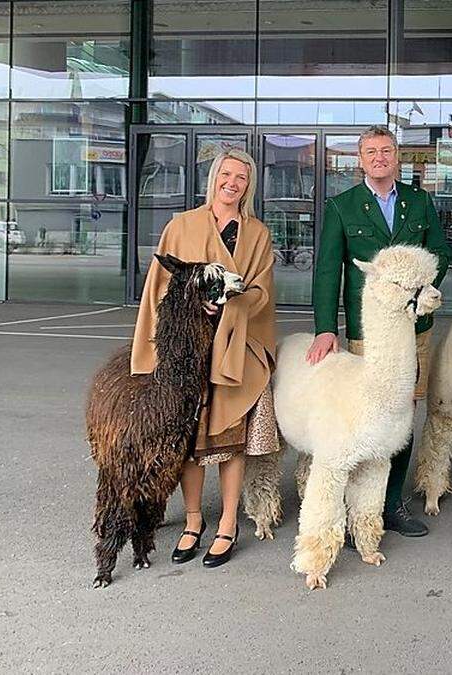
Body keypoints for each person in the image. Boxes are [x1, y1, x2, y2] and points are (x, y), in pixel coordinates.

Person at [130, 149, 278, 569]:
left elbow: (261, 291)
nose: (233, 183)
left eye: (242, 178)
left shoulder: (257, 234)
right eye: (226, 175)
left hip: (236, 348)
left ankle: (228, 522)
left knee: (229, 440)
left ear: (249, 186)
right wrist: (194, 307)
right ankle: (193, 521)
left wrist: (230, 306)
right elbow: (160, 287)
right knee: (190, 442)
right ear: (214, 178)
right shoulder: (182, 226)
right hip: (188, 351)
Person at [305, 125, 449, 537]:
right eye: (372, 152)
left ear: (397, 155)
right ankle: (355, 511)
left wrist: (420, 290)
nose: (380, 158)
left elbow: (440, 252)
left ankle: (391, 504)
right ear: (360, 158)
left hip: (415, 329)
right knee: (363, 419)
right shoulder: (342, 207)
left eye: (387, 150)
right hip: (369, 333)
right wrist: (324, 328)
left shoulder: (419, 202)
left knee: (403, 415)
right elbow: (328, 270)